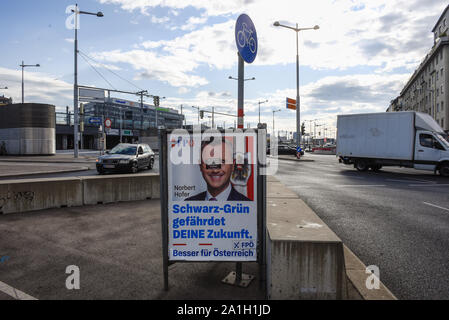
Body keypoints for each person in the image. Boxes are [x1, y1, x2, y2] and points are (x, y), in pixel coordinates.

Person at [185, 137, 250, 201]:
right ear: (200, 165)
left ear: (232, 165)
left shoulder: (248, 206)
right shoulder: (188, 204)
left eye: (222, 161)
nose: (215, 170)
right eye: (209, 162)